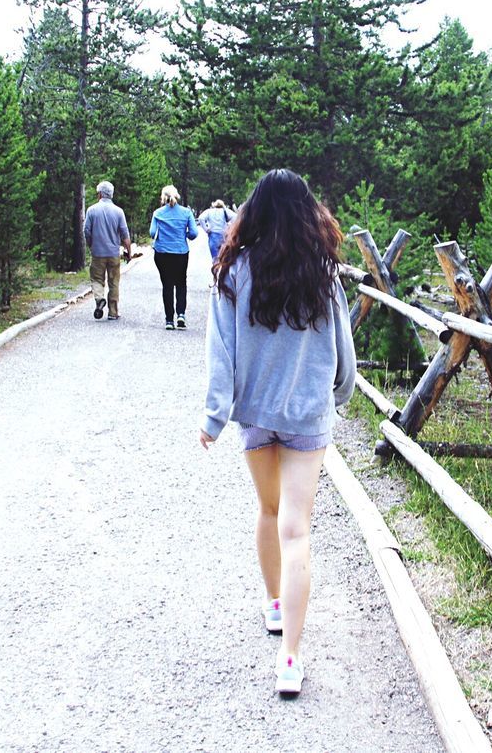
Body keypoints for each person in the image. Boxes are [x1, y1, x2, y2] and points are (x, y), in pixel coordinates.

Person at [199, 169, 357, 697]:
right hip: (308, 416)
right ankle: (290, 658)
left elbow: (220, 351)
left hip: (258, 414)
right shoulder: (324, 273)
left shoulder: (233, 271)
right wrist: (338, 395)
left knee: (268, 512)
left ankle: (273, 604)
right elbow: (344, 353)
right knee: (298, 530)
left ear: (256, 211)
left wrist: (214, 417)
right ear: (307, 212)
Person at [149, 184, 199, 330]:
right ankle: (181, 314)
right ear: (176, 196)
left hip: (162, 252)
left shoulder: (157, 213)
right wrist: (185, 235)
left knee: (167, 285)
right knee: (181, 283)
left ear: (163, 197)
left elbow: (152, 233)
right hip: (180, 252)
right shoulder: (186, 212)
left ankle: (169, 320)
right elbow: (194, 233)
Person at [83, 180, 132, 321]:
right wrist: (129, 252)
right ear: (111, 195)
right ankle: (113, 312)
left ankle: (99, 299)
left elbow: (86, 231)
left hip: (98, 253)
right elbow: (125, 234)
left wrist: (91, 244)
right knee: (114, 282)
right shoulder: (119, 211)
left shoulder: (91, 210)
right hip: (113, 253)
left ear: (99, 194)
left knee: (97, 279)